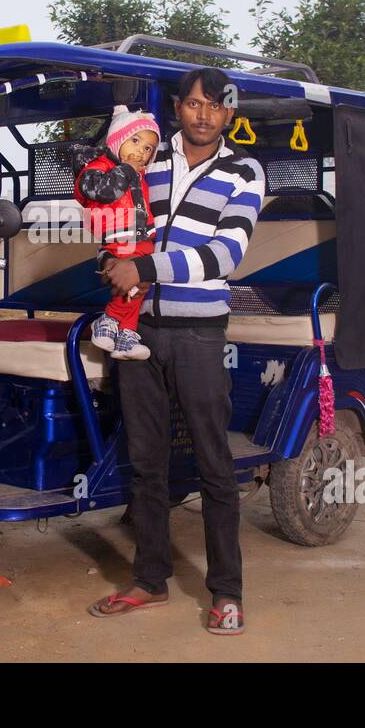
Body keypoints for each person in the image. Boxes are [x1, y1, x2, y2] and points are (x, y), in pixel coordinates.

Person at [88, 67, 264, 635]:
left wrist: (143, 266)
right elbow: (118, 221)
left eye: (214, 106)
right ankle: (150, 580)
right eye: (193, 104)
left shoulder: (244, 171)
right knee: (146, 464)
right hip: (137, 331)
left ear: (229, 115)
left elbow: (225, 254)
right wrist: (112, 255)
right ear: (177, 110)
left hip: (198, 335)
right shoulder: (149, 159)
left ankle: (227, 592)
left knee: (214, 466)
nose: (203, 114)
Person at [73, 105, 161, 360]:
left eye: (147, 149)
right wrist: (126, 170)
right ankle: (109, 319)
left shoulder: (137, 175)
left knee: (140, 285)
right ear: (117, 140)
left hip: (139, 238)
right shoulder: (99, 166)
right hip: (118, 238)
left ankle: (126, 334)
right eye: (135, 141)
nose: (140, 152)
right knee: (134, 279)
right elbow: (100, 192)